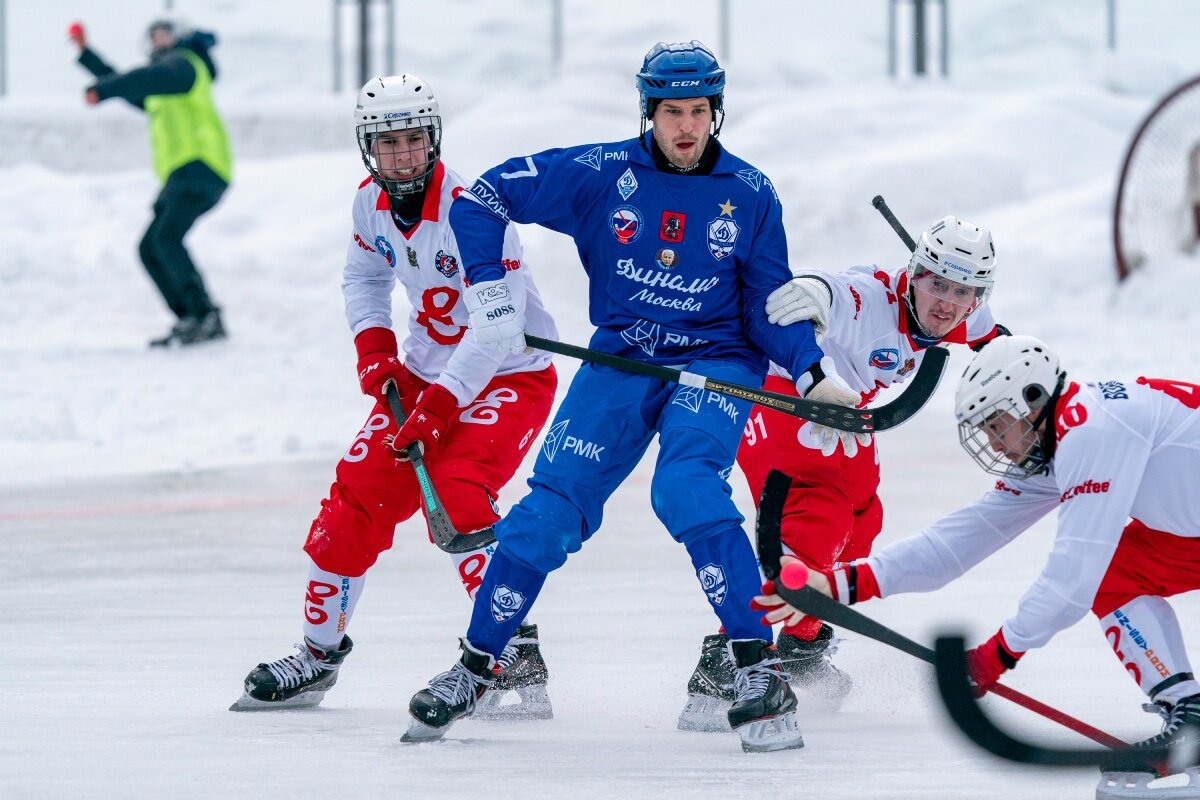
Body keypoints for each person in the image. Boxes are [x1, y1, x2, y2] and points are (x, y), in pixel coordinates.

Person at [400, 41, 835, 754]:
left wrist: (810, 370)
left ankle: (757, 669)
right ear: (648, 112)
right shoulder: (602, 173)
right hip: (621, 357)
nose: (688, 127)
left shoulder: (751, 192)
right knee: (546, 512)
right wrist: (487, 291)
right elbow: (480, 199)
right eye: (672, 112)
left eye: (699, 111)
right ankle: (478, 666)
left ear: (715, 110)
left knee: (688, 490)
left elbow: (765, 305)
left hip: (716, 364)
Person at [230, 75, 559, 719]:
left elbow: (495, 327)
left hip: (509, 375)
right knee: (358, 490)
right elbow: (363, 275)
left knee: (460, 490)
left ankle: (509, 651)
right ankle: (318, 652)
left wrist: (438, 410)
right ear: (367, 148)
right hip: (423, 376)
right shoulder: (369, 206)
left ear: (433, 141)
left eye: (414, 140)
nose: (403, 156)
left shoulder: (473, 213)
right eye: (388, 143)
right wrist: (375, 350)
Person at [756, 335, 1200, 791]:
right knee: (1118, 575)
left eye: (995, 425)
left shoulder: (1094, 432)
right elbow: (962, 539)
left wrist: (996, 655)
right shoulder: (1060, 436)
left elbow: (1072, 580)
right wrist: (842, 584)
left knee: (1103, 570)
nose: (994, 443)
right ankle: (1191, 717)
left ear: (1031, 401)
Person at [678, 216, 1007, 731]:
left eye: (962, 291)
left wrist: (1006, 353)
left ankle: (802, 644)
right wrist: (810, 290)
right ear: (915, 274)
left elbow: (986, 330)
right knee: (816, 521)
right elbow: (830, 291)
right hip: (774, 391)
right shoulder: (869, 300)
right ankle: (729, 659)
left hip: (842, 412)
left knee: (861, 520)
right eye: (937, 284)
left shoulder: (961, 308)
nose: (946, 302)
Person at [69, 17, 232, 347]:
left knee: (167, 238)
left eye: (164, 34)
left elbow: (145, 78)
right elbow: (130, 83)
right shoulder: (161, 86)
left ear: (180, 37)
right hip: (180, 176)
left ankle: (205, 316)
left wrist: (103, 91)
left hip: (201, 168)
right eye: (153, 36)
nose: (158, 40)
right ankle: (190, 317)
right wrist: (87, 55)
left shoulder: (186, 66)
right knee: (149, 248)